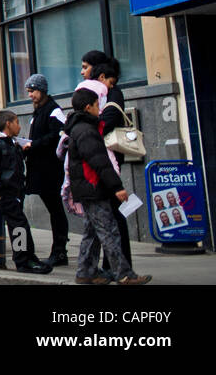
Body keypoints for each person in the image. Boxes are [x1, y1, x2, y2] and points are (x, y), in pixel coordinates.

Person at [65, 88, 150, 285]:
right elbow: (100, 162)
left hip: (87, 188)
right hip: (93, 188)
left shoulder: (80, 128)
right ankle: (124, 274)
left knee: (92, 233)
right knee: (109, 232)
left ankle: (86, 273)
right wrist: (116, 187)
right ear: (88, 107)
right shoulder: (86, 130)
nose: (99, 109)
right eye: (97, 105)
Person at [0, 109, 52, 274]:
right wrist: (1, 192)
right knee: (18, 227)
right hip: (8, 193)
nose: (19, 126)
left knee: (21, 225)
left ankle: (28, 258)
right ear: (8, 123)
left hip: (15, 192)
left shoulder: (11, 143)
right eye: (16, 122)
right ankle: (23, 261)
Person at [89, 54, 136, 278]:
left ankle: (119, 266)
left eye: (85, 67)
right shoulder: (102, 95)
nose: (82, 72)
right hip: (105, 164)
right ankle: (112, 266)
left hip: (110, 163)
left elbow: (105, 123)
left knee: (113, 218)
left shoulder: (112, 95)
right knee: (106, 219)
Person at [22, 73, 69, 266]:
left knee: (56, 210)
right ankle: (58, 249)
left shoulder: (53, 111)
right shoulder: (39, 112)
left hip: (51, 170)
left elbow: (57, 137)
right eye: (29, 92)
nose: (30, 95)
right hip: (41, 170)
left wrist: (33, 145)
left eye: (32, 91)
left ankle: (59, 251)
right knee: (54, 210)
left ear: (41, 90)